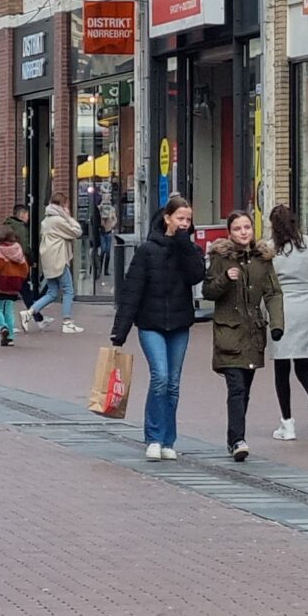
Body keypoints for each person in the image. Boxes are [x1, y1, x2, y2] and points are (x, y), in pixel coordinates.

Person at [110, 196, 208, 461]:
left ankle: (168, 440)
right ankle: (153, 437)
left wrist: (184, 244)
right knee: (161, 377)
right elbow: (131, 291)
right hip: (151, 323)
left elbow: (197, 275)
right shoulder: (147, 251)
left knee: (173, 384)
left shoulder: (189, 249)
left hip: (179, 324)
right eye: (180, 219)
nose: (184, 224)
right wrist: (120, 332)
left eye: (188, 220)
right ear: (167, 218)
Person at [203, 211, 286, 461]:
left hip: (253, 333)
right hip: (228, 332)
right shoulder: (221, 258)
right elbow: (208, 291)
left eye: (247, 227)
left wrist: (276, 324)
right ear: (229, 232)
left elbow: (273, 293)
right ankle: (238, 439)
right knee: (236, 387)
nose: (243, 232)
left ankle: (234, 438)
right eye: (237, 228)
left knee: (245, 389)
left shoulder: (263, 259)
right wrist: (225, 279)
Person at [265, 204, 308, 441]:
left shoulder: (269, 249)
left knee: (281, 369)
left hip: (280, 310)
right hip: (305, 307)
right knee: (304, 367)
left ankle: (287, 424)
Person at [28, 199, 85, 334]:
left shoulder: (46, 220)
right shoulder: (58, 221)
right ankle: (67, 322)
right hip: (59, 259)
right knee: (68, 290)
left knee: (52, 292)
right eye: (66, 204)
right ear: (62, 205)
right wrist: (69, 217)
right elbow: (77, 232)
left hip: (49, 260)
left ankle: (30, 311)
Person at [0, 231, 30, 345]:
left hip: (2, 283)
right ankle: (10, 338)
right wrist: (20, 278)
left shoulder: (0, 250)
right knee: (9, 311)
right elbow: (25, 269)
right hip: (14, 284)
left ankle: (3, 327)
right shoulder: (18, 250)